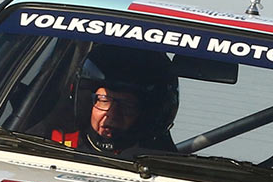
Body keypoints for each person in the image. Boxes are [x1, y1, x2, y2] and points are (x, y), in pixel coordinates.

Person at [48, 45, 178, 155]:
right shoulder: (50, 140)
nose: (112, 115)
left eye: (127, 105)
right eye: (104, 100)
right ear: (86, 102)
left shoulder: (162, 162)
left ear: (146, 115)